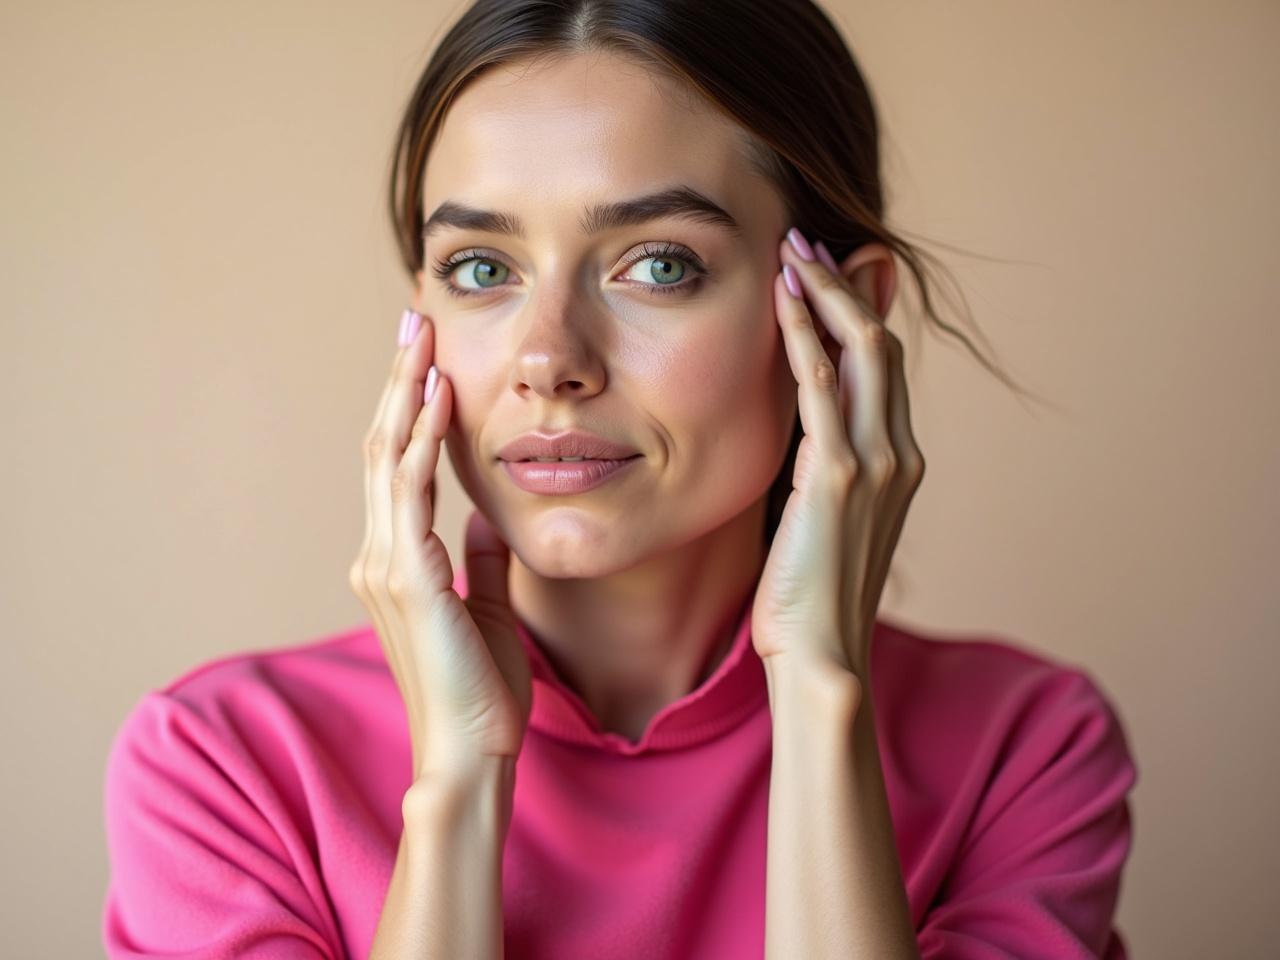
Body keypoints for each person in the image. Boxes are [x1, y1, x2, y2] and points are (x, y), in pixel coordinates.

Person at [101, 2, 1138, 957]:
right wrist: (457, 792)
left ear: (842, 316)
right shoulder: (224, 767)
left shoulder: (1025, 753)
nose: (547, 357)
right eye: (479, 269)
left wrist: (822, 696)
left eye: (656, 264)